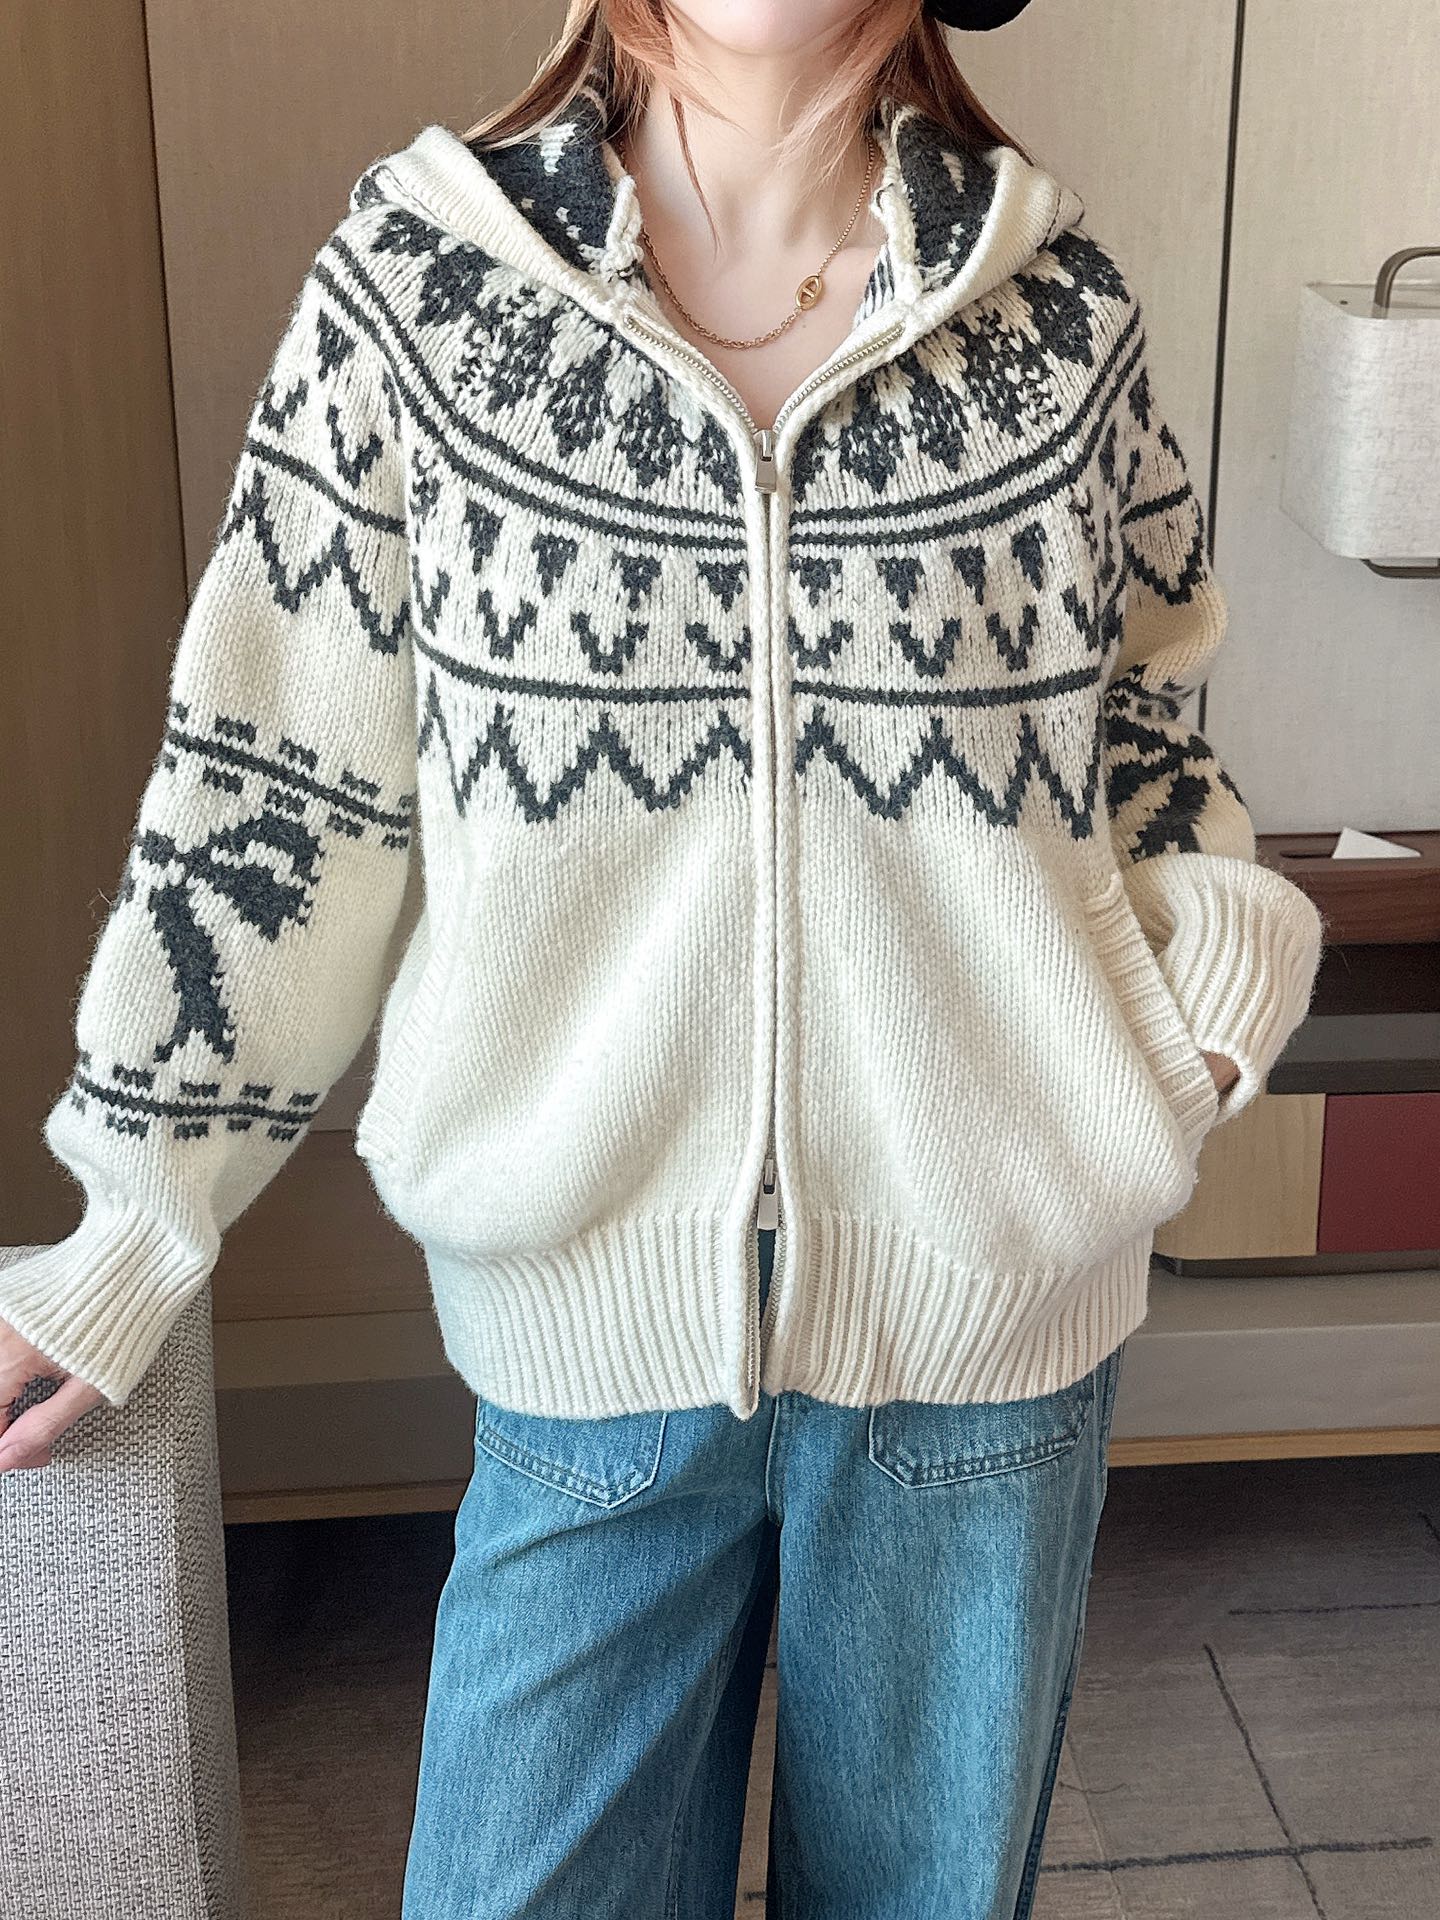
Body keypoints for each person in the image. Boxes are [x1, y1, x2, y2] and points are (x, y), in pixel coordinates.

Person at [1, 0, 1325, 1910]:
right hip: (584, 1359)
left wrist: (1193, 1016)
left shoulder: (1060, 318)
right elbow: (275, 789)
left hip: (993, 1329)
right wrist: (132, 1217)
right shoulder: (424, 294)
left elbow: (1146, 725)